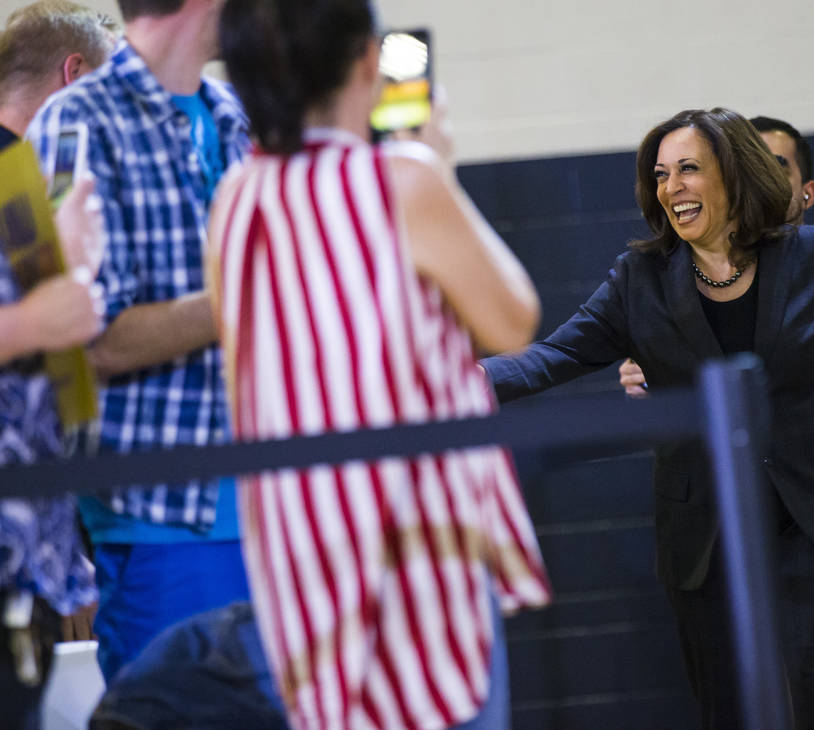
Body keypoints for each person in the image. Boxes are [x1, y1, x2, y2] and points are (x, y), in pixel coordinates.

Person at [480, 108, 814, 729]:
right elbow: (554, 355)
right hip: (707, 532)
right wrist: (450, 384)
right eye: (660, 175)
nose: (671, 187)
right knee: (727, 709)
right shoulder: (639, 278)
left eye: (688, 170)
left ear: (732, 176)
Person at [208, 1, 550, 728]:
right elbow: (513, 320)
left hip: (302, 545)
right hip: (415, 541)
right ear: (368, 59)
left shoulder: (236, 197)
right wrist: (440, 167)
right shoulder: (402, 179)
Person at [25, 0, 253, 681]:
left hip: (283, 504)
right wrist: (257, 293)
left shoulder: (235, 113)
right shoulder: (77, 119)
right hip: (166, 523)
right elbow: (88, 338)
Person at [0, 3, 112, 725]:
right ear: (73, 78)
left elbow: (60, 386)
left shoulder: (23, 182)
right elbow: (67, 374)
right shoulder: (16, 187)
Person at [619, 115, 814, 421]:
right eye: (748, 165)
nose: (760, 176)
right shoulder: (693, 275)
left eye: (776, 165)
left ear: (808, 192)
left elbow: (807, 364)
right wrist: (650, 376)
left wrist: (675, 367)